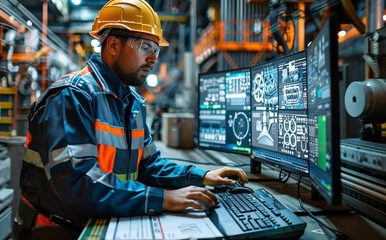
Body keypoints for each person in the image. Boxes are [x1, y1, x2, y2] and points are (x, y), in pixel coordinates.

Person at [14, 0, 248, 238]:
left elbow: (148, 166)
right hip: (56, 230)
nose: (154, 58)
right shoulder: (73, 95)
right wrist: (162, 198)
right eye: (146, 47)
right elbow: (77, 182)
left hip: (102, 220)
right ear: (113, 45)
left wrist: (201, 176)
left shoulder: (131, 102)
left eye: (156, 50)